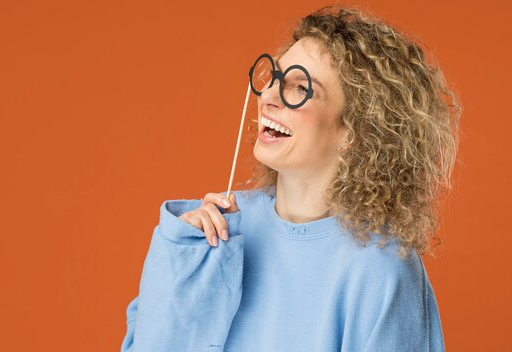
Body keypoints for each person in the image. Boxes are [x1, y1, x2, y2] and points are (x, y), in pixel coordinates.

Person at [121, 4, 460, 352]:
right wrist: (179, 265)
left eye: (300, 88)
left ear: (355, 131)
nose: (268, 97)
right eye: (275, 78)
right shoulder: (221, 228)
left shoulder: (378, 270)